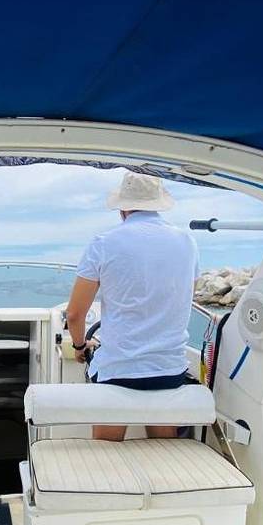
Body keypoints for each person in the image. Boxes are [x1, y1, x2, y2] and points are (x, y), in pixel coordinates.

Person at [65, 171, 199, 441]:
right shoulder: (187, 242)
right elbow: (183, 300)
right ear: (158, 204)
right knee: (163, 450)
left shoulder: (103, 243)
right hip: (168, 369)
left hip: (118, 370)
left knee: (105, 455)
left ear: (123, 207)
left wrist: (80, 347)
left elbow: (75, 314)